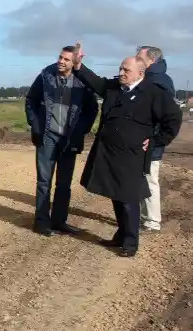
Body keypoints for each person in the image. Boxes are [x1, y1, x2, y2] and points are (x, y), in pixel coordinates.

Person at [71, 43, 182, 257]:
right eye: (120, 69)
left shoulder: (153, 93)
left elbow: (173, 119)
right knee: (116, 195)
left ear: (140, 73)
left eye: (126, 70)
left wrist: (157, 140)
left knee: (129, 198)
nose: (121, 73)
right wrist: (78, 65)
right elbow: (96, 82)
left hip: (132, 155)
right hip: (109, 153)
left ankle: (130, 244)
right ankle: (122, 235)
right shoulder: (114, 88)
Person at [25, 46, 99, 236]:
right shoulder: (45, 76)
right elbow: (30, 100)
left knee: (64, 183)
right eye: (60, 57)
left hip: (69, 139)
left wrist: (81, 130)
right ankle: (41, 222)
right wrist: (35, 124)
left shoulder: (82, 82)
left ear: (74, 62)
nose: (61, 61)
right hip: (47, 136)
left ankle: (59, 221)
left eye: (66, 59)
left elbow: (92, 110)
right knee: (44, 182)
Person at [135, 46, 176, 232]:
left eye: (139, 57)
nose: (136, 59)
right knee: (143, 178)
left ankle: (152, 221)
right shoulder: (155, 78)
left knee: (150, 179)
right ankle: (145, 218)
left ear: (151, 60)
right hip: (145, 140)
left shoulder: (159, 82)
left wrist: (156, 140)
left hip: (151, 141)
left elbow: (165, 116)